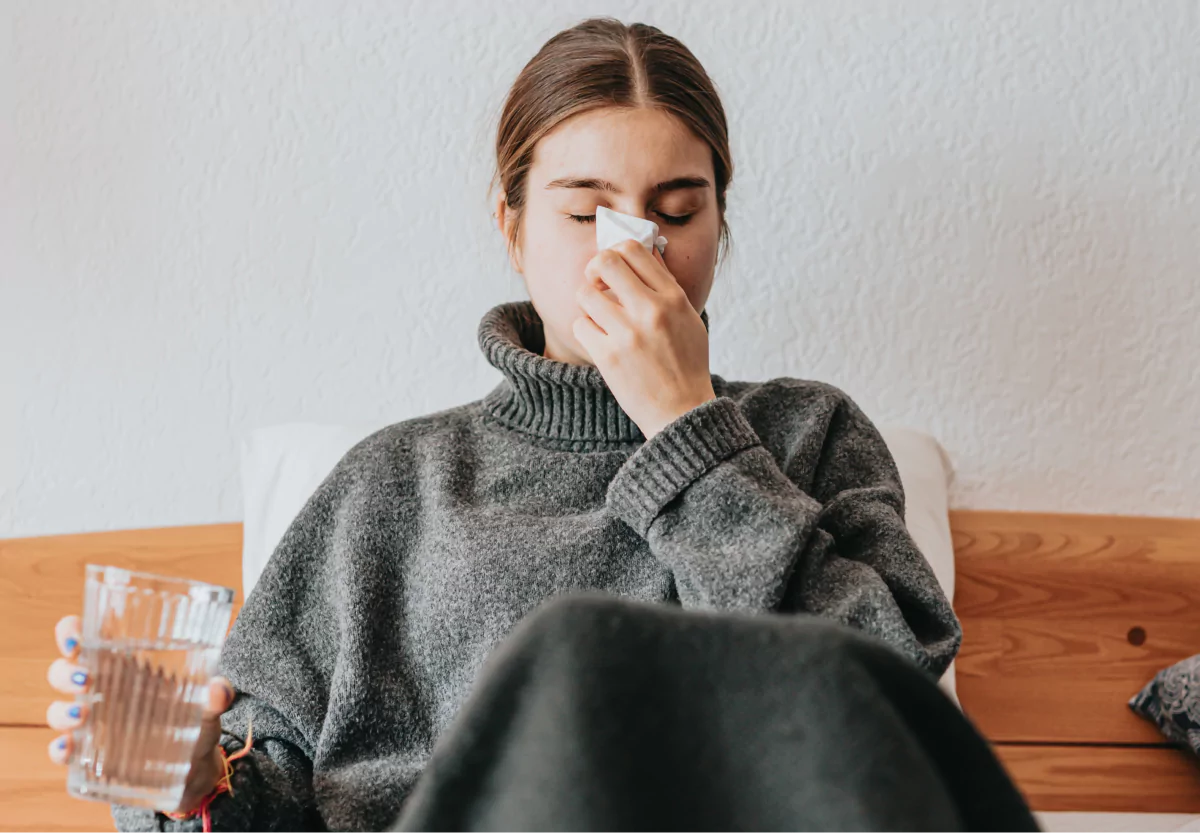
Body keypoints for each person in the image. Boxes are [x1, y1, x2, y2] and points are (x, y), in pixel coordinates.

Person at [44, 16, 1038, 833]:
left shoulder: (806, 435)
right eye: (585, 209)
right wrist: (189, 790)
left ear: (718, 230)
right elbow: (270, 796)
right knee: (572, 656)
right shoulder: (390, 485)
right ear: (513, 225)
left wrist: (688, 426)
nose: (631, 246)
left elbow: (890, 715)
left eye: (675, 210)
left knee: (581, 653)